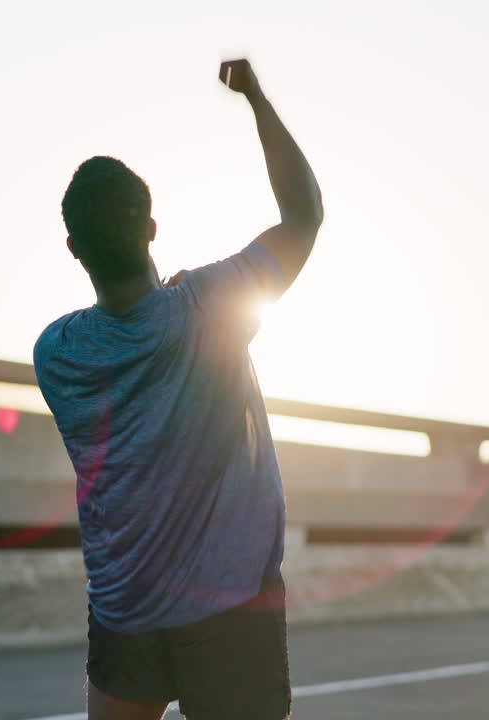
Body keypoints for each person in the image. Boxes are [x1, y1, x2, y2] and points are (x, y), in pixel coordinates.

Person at [33, 59, 323, 720]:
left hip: (124, 605)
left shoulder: (56, 351)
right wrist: (255, 98)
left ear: (74, 247)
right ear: (153, 229)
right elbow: (304, 216)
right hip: (227, 606)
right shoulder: (208, 307)